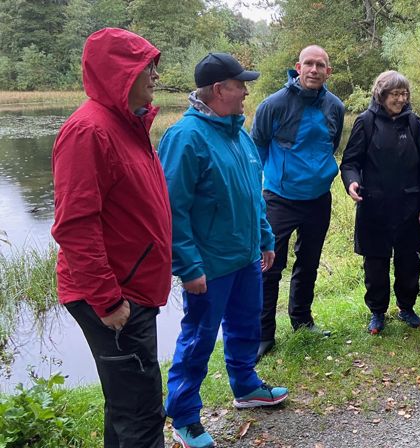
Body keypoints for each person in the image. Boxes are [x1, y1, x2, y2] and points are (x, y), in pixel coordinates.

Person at [159, 53, 288, 448]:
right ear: (218, 90)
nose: (246, 91)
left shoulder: (239, 134)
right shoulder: (185, 137)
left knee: (246, 325)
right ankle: (184, 416)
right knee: (198, 339)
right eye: (240, 84)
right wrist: (188, 266)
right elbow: (172, 209)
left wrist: (264, 238)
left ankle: (246, 387)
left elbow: (253, 195)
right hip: (209, 265)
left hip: (246, 257)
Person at [51, 28, 171, 447]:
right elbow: (74, 225)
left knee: (127, 407)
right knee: (142, 413)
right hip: (115, 295)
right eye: (146, 67)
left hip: (133, 288)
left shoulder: (128, 124)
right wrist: (107, 300)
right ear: (120, 72)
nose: (155, 75)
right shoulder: (89, 132)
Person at [251, 45, 345, 357]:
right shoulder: (273, 104)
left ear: (328, 71)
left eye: (320, 65)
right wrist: (259, 189)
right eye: (309, 64)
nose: (314, 70)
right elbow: (257, 148)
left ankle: (302, 321)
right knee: (269, 267)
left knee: (309, 262)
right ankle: (263, 334)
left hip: (318, 199)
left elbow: (331, 144)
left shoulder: (335, 106)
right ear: (298, 67)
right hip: (279, 199)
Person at [340, 70, 420, 334]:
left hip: (409, 206)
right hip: (373, 206)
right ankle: (377, 312)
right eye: (395, 94)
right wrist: (352, 182)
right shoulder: (366, 122)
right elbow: (350, 163)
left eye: (404, 94)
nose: (401, 99)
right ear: (381, 95)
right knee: (375, 263)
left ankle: (407, 308)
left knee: (409, 262)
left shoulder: (414, 123)